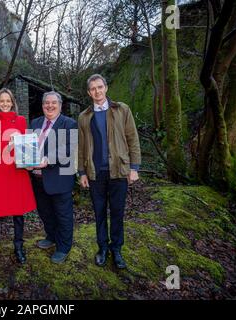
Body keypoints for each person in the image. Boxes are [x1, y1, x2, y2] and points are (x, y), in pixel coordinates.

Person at [78, 74, 141, 270]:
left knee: (117, 212)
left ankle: (117, 249)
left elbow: (133, 139)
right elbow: (80, 148)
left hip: (119, 171)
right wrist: (81, 172)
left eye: (100, 87)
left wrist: (134, 168)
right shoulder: (84, 117)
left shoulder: (122, 110)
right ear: (89, 93)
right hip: (95, 173)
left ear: (106, 88)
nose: (97, 91)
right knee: (98, 213)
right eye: (93, 89)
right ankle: (103, 248)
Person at [0, 88, 37, 264]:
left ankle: (19, 245)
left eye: (8, 100)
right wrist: (9, 146)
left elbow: (26, 147)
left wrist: (30, 163)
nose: (5, 103)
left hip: (17, 170)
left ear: (13, 102)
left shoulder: (21, 121)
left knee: (18, 208)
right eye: (2, 101)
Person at [29, 91, 77, 264]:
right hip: (37, 177)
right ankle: (51, 236)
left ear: (60, 105)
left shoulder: (69, 124)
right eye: (46, 103)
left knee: (62, 214)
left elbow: (68, 148)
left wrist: (47, 160)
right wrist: (25, 161)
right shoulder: (35, 122)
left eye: (53, 103)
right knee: (45, 211)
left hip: (59, 177)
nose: (49, 106)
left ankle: (63, 247)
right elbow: (28, 147)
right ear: (42, 106)